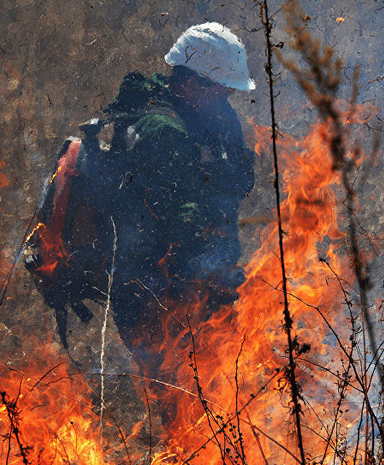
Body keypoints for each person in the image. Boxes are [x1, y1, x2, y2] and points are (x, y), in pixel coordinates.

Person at [24, 23, 256, 362]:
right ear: (192, 82)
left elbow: (241, 178)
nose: (228, 101)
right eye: (221, 92)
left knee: (210, 393)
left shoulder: (198, 114)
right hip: (158, 292)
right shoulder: (162, 131)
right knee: (184, 393)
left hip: (186, 285)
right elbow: (183, 223)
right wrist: (215, 274)